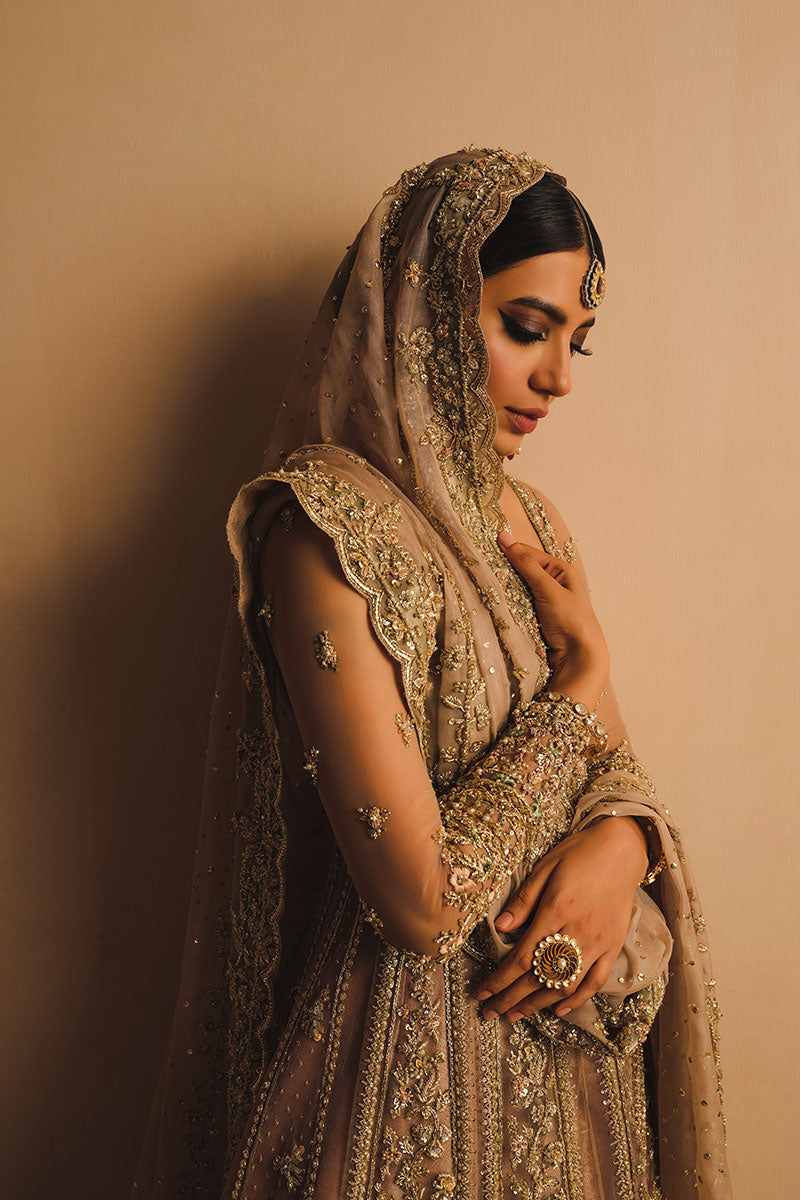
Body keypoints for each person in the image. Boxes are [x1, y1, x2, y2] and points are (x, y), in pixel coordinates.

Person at [131, 148, 731, 1200]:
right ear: (427, 305)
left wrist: (623, 844)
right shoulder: (322, 525)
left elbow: (611, 766)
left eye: (576, 343)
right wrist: (582, 674)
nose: (557, 380)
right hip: (393, 1086)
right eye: (525, 328)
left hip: (569, 1082)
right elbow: (419, 900)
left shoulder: (531, 521)